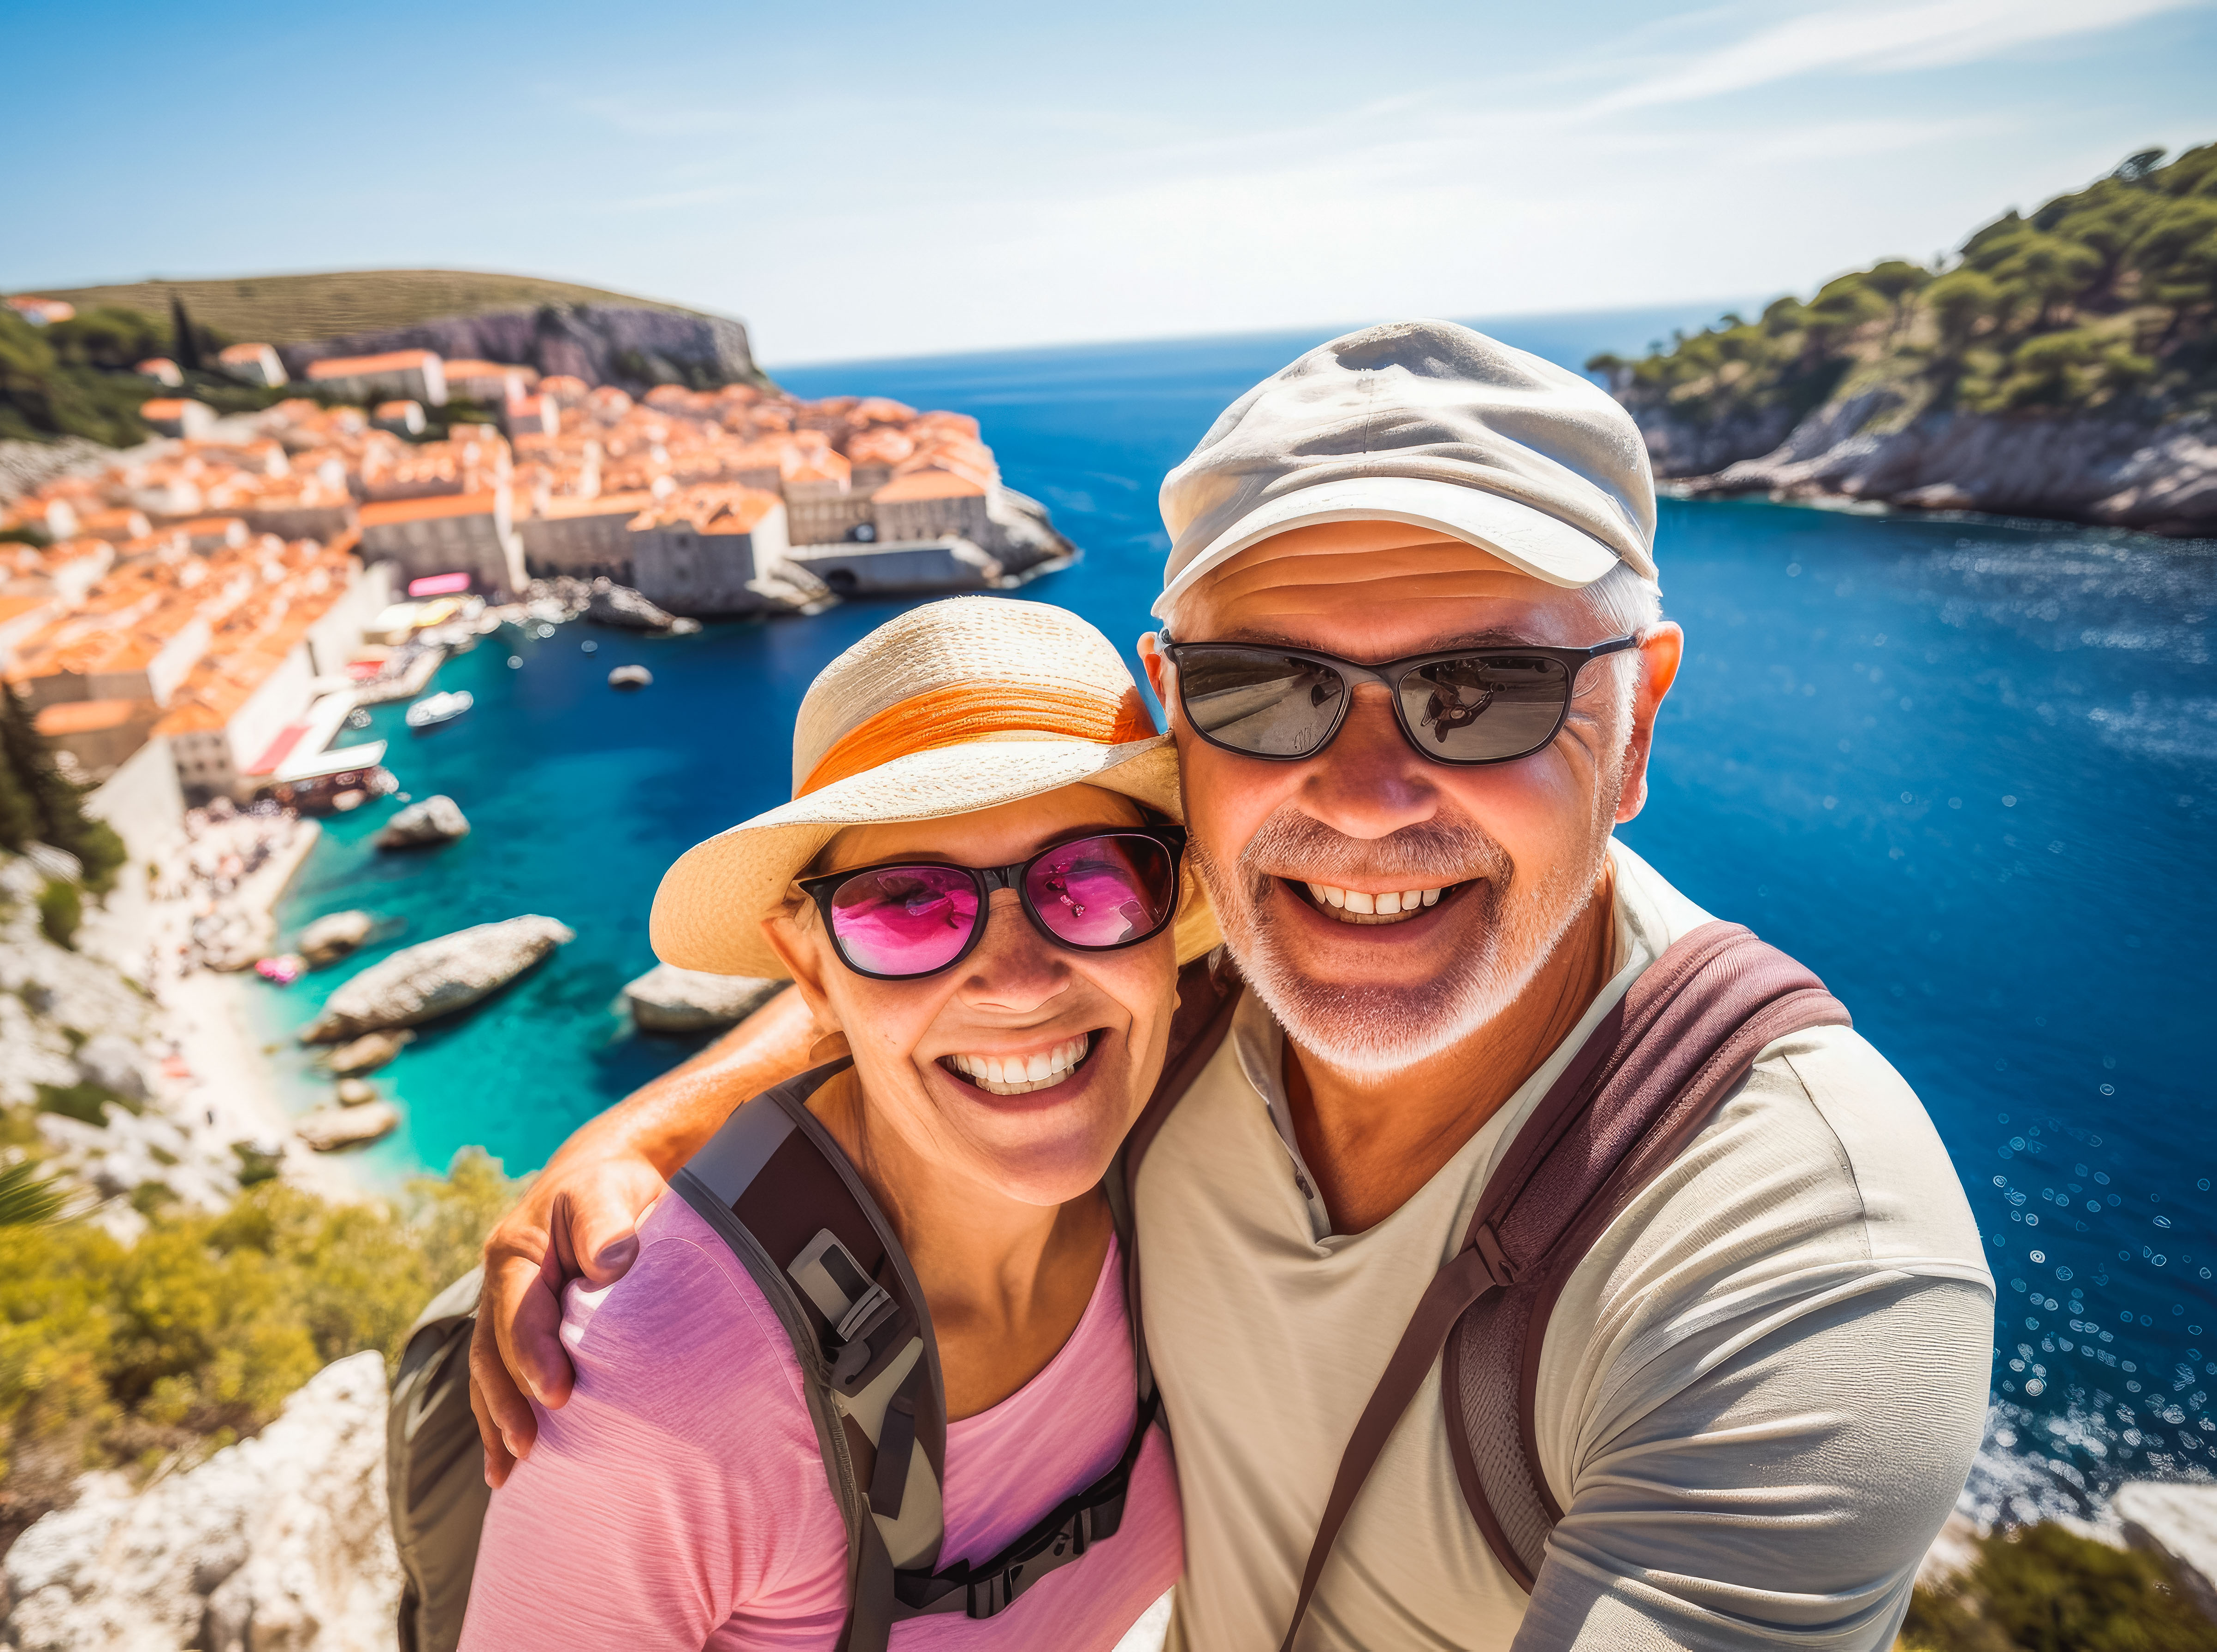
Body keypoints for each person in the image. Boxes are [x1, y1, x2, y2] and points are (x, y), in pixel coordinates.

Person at [466, 323, 1995, 1650]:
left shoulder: (1800, 1265)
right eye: (1271, 688)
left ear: (1636, 717)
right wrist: (638, 1144)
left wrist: (648, 1131)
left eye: (1483, 690)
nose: (1367, 794)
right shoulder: (1222, 964)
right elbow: (963, 964)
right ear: (1186, 741)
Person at [456, 599, 1206, 1649]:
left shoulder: (1199, 1107)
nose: (1022, 982)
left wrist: (642, 1124)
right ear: (810, 965)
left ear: (1173, 909)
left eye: (1089, 879)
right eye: (908, 905)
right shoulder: (661, 1398)